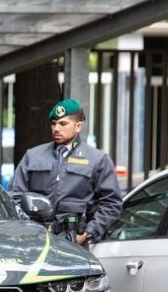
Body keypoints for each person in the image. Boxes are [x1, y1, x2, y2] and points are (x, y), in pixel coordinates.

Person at [9, 99, 122, 245]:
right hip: (34, 239)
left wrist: (88, 233)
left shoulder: (97, 159)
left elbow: (112, 204)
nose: (56, 128)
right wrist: (26, 229)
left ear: (78, 126)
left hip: (73, 242)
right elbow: (14, 196)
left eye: (63, 124)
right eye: (53, 123)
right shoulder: (33, 156)